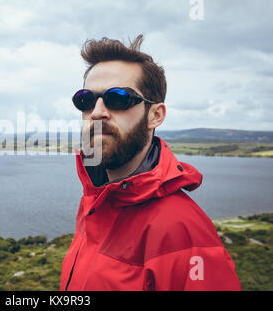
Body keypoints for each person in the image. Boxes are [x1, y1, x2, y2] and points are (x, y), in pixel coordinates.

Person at [60, 35, 241, 291]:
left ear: (155, 115)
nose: (98, 111)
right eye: (86, 100)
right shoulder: (95, 202)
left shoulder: (184, 234)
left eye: (118, 98)